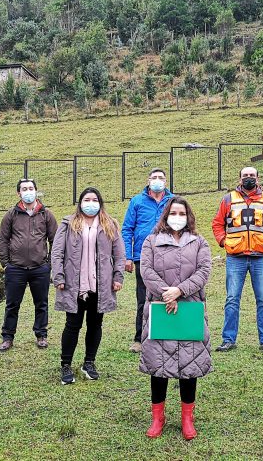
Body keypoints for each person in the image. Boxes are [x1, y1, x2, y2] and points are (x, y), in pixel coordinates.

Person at [139, 197, 212, 440]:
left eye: (182, 213)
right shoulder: (151, 241)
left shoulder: (199, 242)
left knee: (189, 365)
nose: (177, 217)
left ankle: (187, 419)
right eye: (173, 213)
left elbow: (204, 271)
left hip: (189, 308)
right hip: (160, 308)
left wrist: (179, 291)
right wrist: (166, 293)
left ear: (188, 216)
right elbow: (146, 270)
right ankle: (157, 418)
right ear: (166, 215)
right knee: (158, 364)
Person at [52, 187, 125, 384]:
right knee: (72, 325)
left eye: (94, 200)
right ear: (80, 202)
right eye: (87, 199)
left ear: (100, 203)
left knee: (95, 324)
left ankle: (89, 362)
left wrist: (118, 277)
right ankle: (66, 365)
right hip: (74, 284)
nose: (90, 203)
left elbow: (119, 255)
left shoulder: (110, 224)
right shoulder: (68, 224)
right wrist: (58, 277)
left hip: (100, 284)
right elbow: (57, 253)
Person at [211, 166, 263, 354]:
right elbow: (217, 223)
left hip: (261, 257)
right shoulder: (228, 199)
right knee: (232, 299)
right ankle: (228, 340)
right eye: (245, 175)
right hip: (235, 257)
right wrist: (223, 242)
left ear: (258, 178)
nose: (248, 178)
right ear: (240, 179)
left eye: (252, 175)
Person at [0, 178, 58, 351]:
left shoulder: (46, 214)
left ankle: (41, 335)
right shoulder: (11, 215)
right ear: (19, 193)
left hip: (40, 268)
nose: (28, 192)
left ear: (36, 190)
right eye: (24, 189)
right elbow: (3, 239)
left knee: (41, 303)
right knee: (12, 305)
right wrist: (6, 263)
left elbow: (55, 240)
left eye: (31, 188)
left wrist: (49, 264)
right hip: (15, 268)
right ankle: (7, 337)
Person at [121, 168, 173, 353]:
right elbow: (127, 229)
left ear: (165, 181)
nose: (157, 180)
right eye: (154, 177)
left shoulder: (173, 201)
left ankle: (167, 336)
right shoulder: (137, 201)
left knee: (168, 295)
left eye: (161, 178)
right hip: (142, 257)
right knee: (143, 298)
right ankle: (139, 338)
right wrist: (127, 256)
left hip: (169, 256)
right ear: (148, 180)